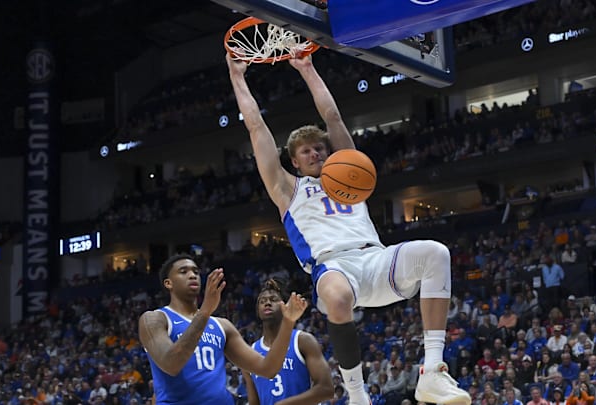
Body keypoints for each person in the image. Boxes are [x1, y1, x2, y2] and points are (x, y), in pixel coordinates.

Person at [226, 52, 470, 405]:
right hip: (333, 269)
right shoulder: (287, 188)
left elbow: (332, 115)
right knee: (338, 297)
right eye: (306, 151)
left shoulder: (349, 174)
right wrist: (238, 77)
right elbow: (256, 128)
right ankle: (357, 395)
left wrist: (307, 68)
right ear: (293, 160)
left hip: (375, 259)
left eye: (320, 148)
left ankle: (432, 372)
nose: (315, 154)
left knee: (436, 253)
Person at [138, 254, 307, 405]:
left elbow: (267, 369)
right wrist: (205, 311)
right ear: (169, 283)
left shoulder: (221, 325)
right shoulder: (155, 319)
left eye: (196, 272)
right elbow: (171, 364)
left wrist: (288, 322)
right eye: (184, 271)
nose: (192, 275)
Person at [242, 279, 334, 404]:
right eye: (262, 301)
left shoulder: (302, 341)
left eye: (273, 300)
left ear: (284, 306)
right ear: (258, 311)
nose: (267, 303)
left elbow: (326, 389)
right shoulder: (250, 353)